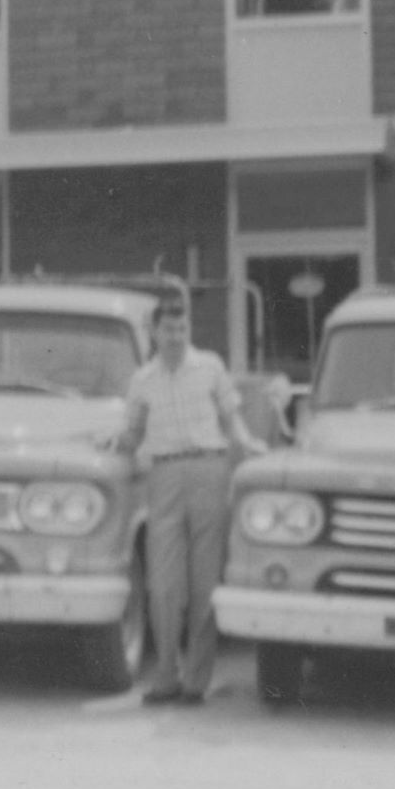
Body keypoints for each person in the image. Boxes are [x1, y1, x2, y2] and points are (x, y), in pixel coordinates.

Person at [116, 293, 267, 705]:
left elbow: (231, 417)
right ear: (154, 332)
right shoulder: (142, 380)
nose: (176, 337)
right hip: (163, 476)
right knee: (164, 585)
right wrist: (113, 445)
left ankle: (195, 682)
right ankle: (165, 675)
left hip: (209, 472)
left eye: (182, 329)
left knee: (204, 582)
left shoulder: (210, 367)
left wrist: (246, 442)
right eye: (169, 329)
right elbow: (131, 433)